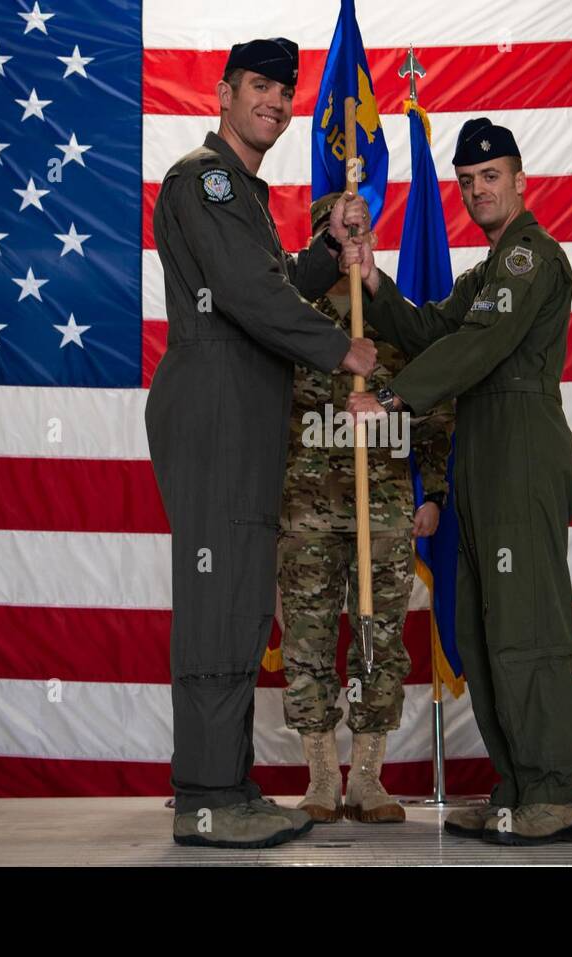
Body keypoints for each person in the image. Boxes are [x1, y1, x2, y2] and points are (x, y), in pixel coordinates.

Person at [147, 37, 377, 849]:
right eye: (259, 87)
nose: (275, 102)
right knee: (219, 604)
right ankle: (206, 797)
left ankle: (228, 783)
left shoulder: (243, 192)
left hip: (238, 417)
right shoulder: (203, 181)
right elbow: (247, 294)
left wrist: (328, 250)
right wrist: (337, 346)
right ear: (223, 93)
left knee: (242, 604)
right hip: (214, 414)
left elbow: (269, 274)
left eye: (285, 91)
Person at [346, 118, 572, 845]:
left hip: (520, 452)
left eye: (491, 176)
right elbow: (430, 330)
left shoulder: (530, 259)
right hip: (481, 455)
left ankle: (555, 791)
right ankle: (518, 788)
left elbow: (480, 344)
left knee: (528, 628)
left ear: (520, 180)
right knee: (484, 629)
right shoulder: (485, 274)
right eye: (466, 180)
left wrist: (393, 399)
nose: (478, 189)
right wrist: (374, 284)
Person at [279, 193, 454, 824]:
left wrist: (432, 493)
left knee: (379, 642)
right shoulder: (291, 316)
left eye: (364, 230)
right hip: (305, 511)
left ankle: (368, 780)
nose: (357, 241)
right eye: (344, 231)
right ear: (326, 236)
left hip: (383, 511)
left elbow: (434, 408)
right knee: (307, 642)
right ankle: (323, 776)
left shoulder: (395, 316)